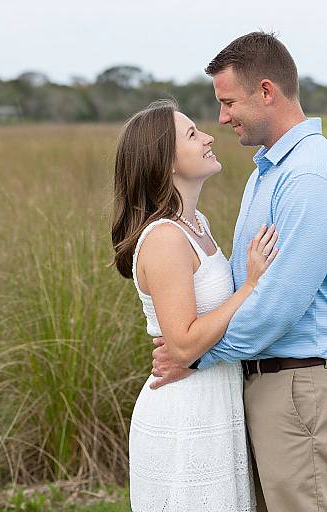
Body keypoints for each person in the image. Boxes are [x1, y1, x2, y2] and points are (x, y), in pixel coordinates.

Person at [151, 32, 327, 512]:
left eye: (228, 102)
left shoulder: (308, 176)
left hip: (300, 388)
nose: (222, 118)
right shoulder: (268, 171)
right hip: (271, 387)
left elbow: (276, 307)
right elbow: (245, 286)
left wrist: (196, 356)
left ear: (266, 91)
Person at [110, 99, 278, 511]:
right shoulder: (165, 238)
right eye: (191, 134)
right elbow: (182, 346)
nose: (207, 137)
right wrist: (251, 285)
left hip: (215, 401)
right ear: (165, 162)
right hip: (184, 411)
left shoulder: (197, 223)